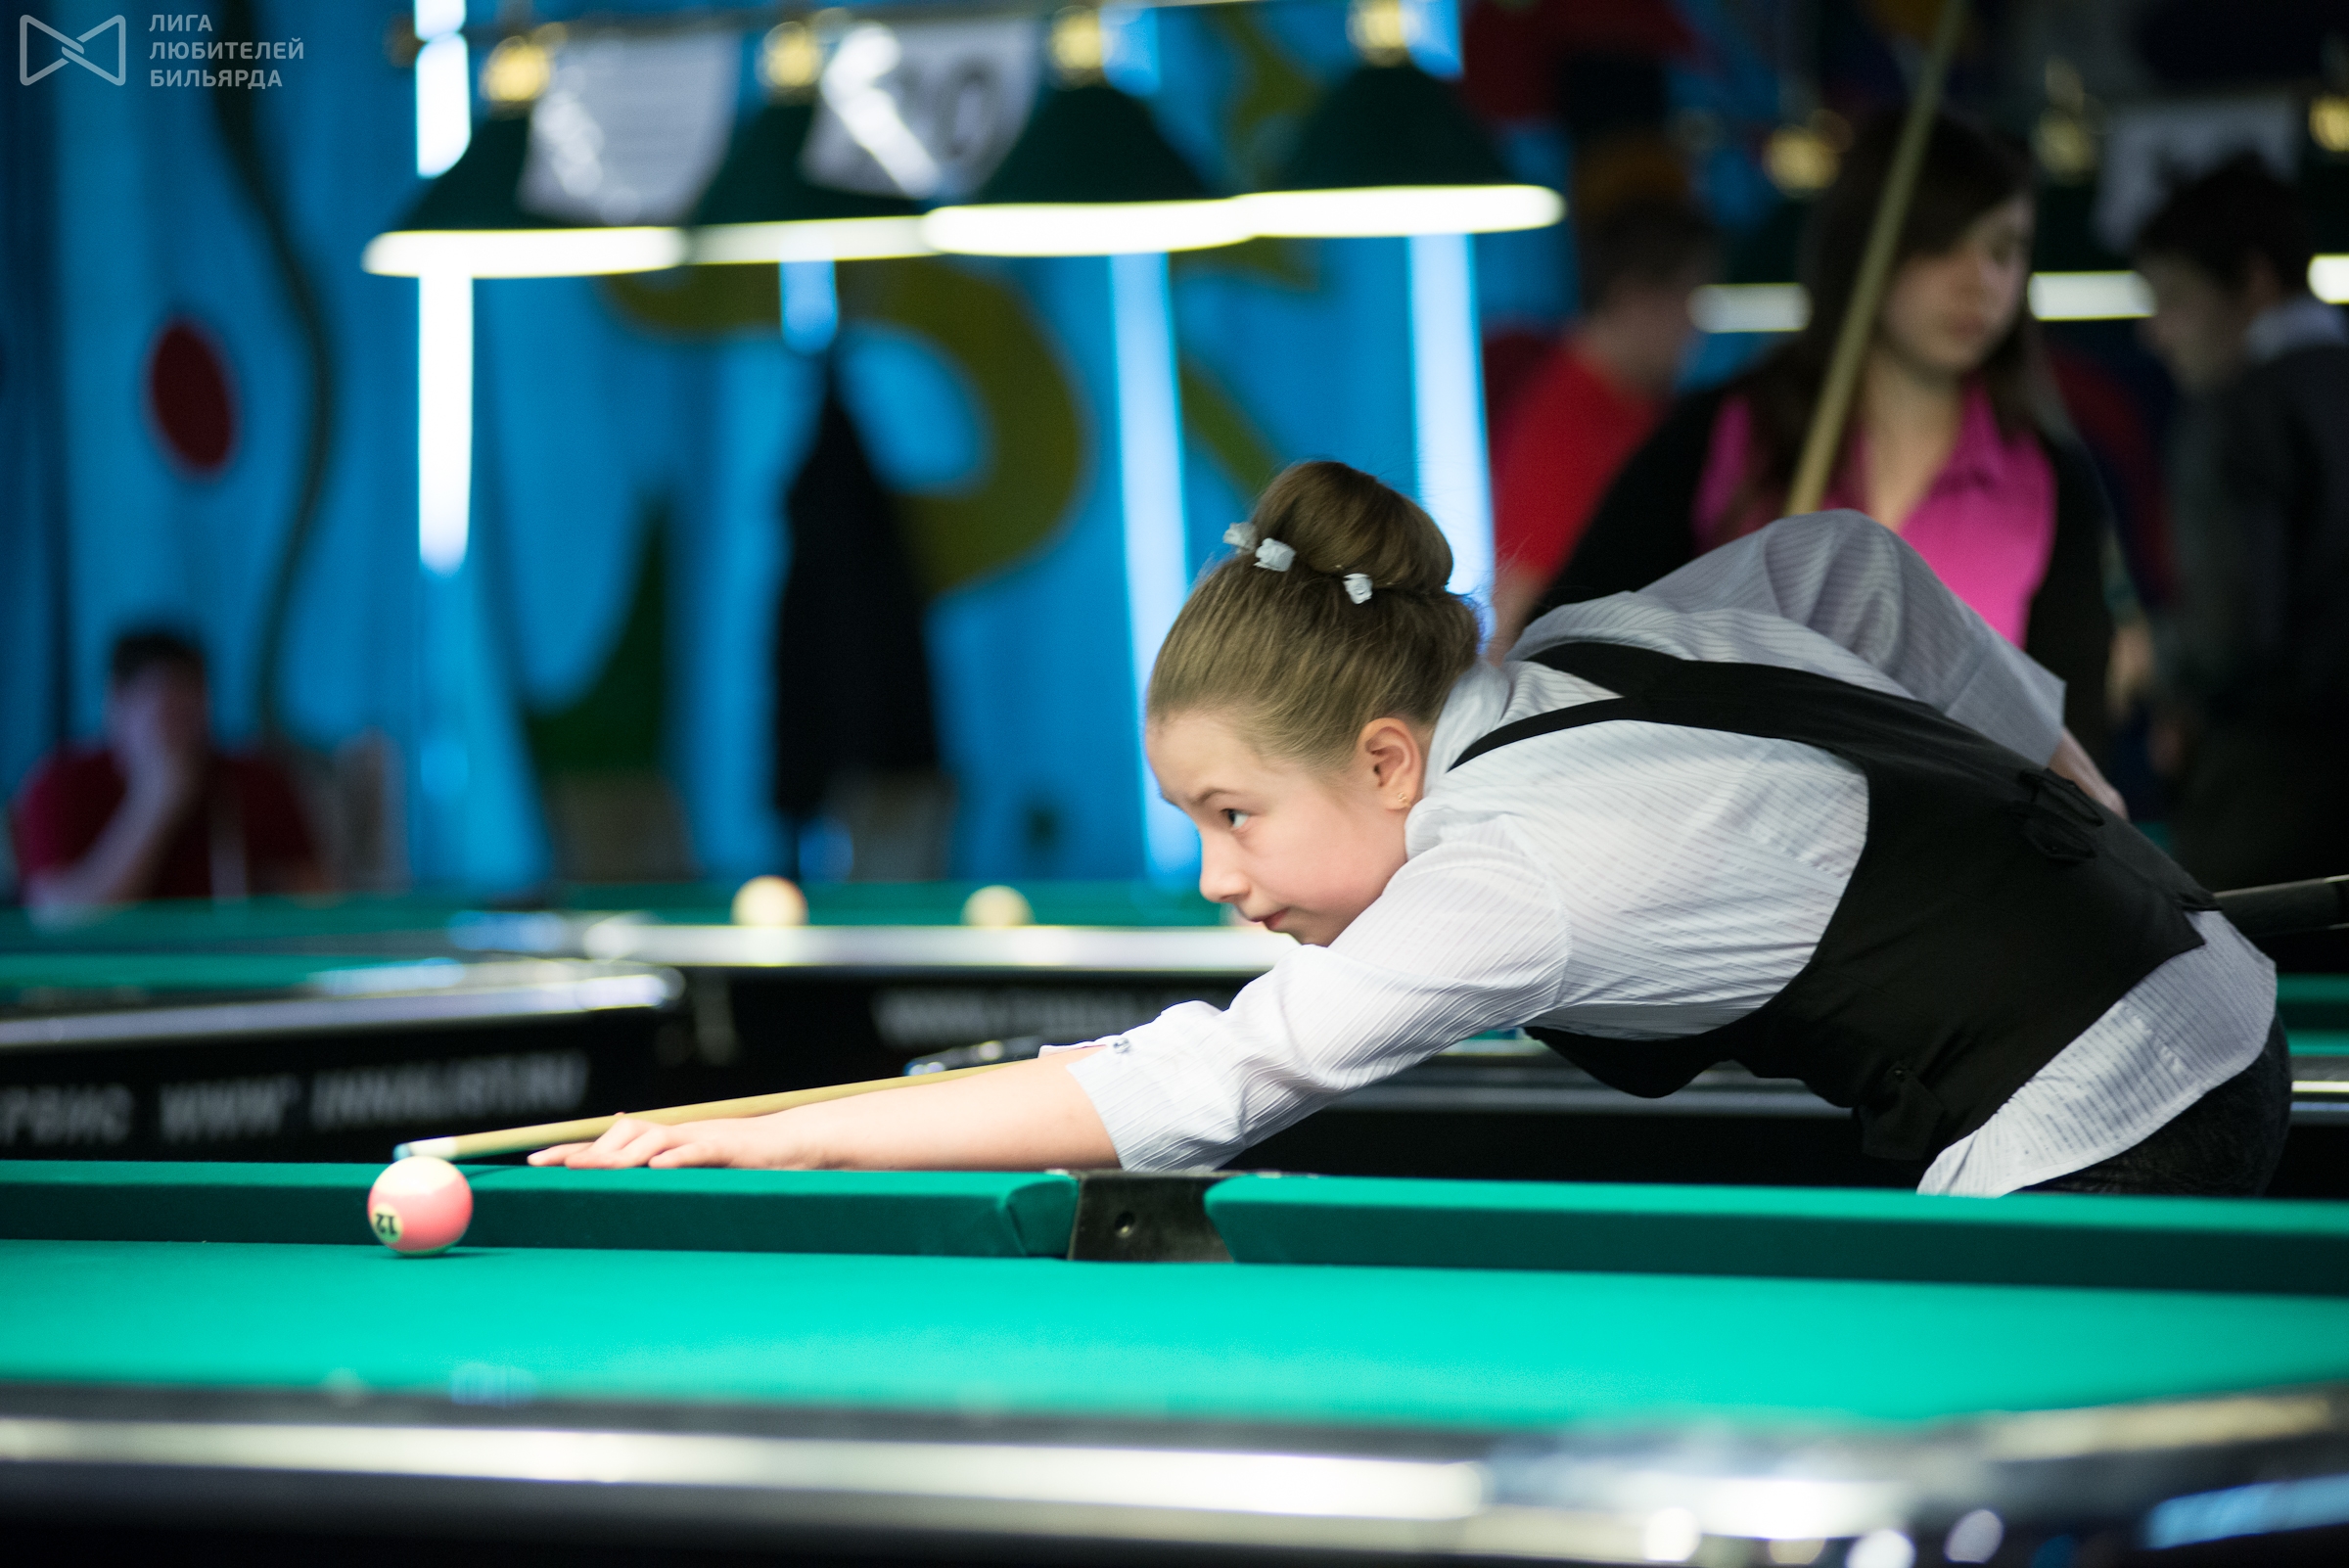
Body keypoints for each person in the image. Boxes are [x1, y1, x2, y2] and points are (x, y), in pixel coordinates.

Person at [536, 461, 2283, 1198]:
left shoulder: (1498, 861)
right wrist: (2086, 812)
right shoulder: (1595, 645)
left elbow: (1205, 1085)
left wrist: (788, 1136)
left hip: (2112, 1096)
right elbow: (1855, 566)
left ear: (1387, 758)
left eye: (1235, 814)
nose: (1219, 879)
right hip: (2204, 996)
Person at [1543, 111, 2121, 759]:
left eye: (2004, 250)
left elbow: (2076, 738)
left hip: (1962, 819)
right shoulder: (1724, 434)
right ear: (1864, 248)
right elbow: (1569, 636)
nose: (1980, 281)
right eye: (1942, 245)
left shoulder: (2051, 479)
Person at [2133, 155, 2349, 935]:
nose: (2155, 334)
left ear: (2253, 281)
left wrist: (2149, 660)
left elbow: (2228, 639)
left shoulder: (2234, 416)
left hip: (2271, 834)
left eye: (2174, 300)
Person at [1487, 201, 1719, 655]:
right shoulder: (1570, 422)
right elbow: (1520, 607)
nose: (1697, 329)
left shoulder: (1637, 407)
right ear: (1636, 300)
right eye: (1690, 300)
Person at [10, 629, 325, 913]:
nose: (184, 731)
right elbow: (55, 916)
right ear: (118, 699)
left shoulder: (253, 782)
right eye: (168, 709)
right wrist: (153, 806)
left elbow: (317, 898)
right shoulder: (61, 787)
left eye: (193, 707)